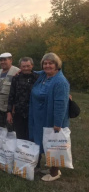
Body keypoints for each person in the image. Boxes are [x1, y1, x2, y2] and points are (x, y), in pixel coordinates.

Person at [29, 53, 70, 182]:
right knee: (44, 142)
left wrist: (58, 123)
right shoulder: (43, 75)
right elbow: (35, 71)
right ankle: (52, 167)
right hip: (39, 116)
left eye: (51, 63)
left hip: (51, 118)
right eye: (45, 63)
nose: (47, 65)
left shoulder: (60, 82)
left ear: (57, 65)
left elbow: (61, 104)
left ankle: (54, 172)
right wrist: (23, 69)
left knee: (53, 143)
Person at [6, 57, 39, 140]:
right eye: (23, 66)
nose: (26, 68)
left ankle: (34, 153)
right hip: (19, 113)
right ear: (20, 67)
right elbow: (11, 95)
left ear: (32, 66)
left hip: (33, 113)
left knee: (32, 136)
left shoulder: (38, 78)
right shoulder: (16, 78)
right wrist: (9, 112)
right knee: (20, 136)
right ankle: (21, 152)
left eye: (28, 66)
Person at [0, 52, 19, 130]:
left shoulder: (16, 71)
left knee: (10, 132)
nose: (2, 62)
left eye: (5, 60)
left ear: (11, 60)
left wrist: (13, 108)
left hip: (10, 110)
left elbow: (17, 92)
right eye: (1, 60)